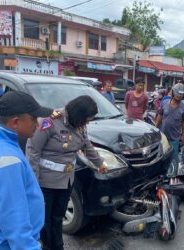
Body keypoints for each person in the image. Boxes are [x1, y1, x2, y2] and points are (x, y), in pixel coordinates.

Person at [26, 95, 108, 250]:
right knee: (44, 220)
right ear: (79, 114)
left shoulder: (79, 124)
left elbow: (86, 145)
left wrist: (100, 163)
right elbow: (33, 152)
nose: (88, 122)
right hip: (45, 182)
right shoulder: (49, 122)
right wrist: (33, 183)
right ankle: (47, 246)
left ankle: (57, 246)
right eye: (87, 119)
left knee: (58, 217)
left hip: (66, 180)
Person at [0, 91, 53, 249]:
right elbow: (14, 220)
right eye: (33, 119)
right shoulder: (7, 160)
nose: (38, 125)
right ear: (16, 122)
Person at [155, 83, 184, 173]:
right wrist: (155, 127)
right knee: (161, 155)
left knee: (174, 158)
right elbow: (159, 116)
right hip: (163, 136)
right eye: (177, 94)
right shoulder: (165, 103)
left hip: (175, 137)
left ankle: (172, 175)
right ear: (173, 93)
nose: (179, 97)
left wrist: (183, 135)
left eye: (181, 95)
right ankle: (161, 173)